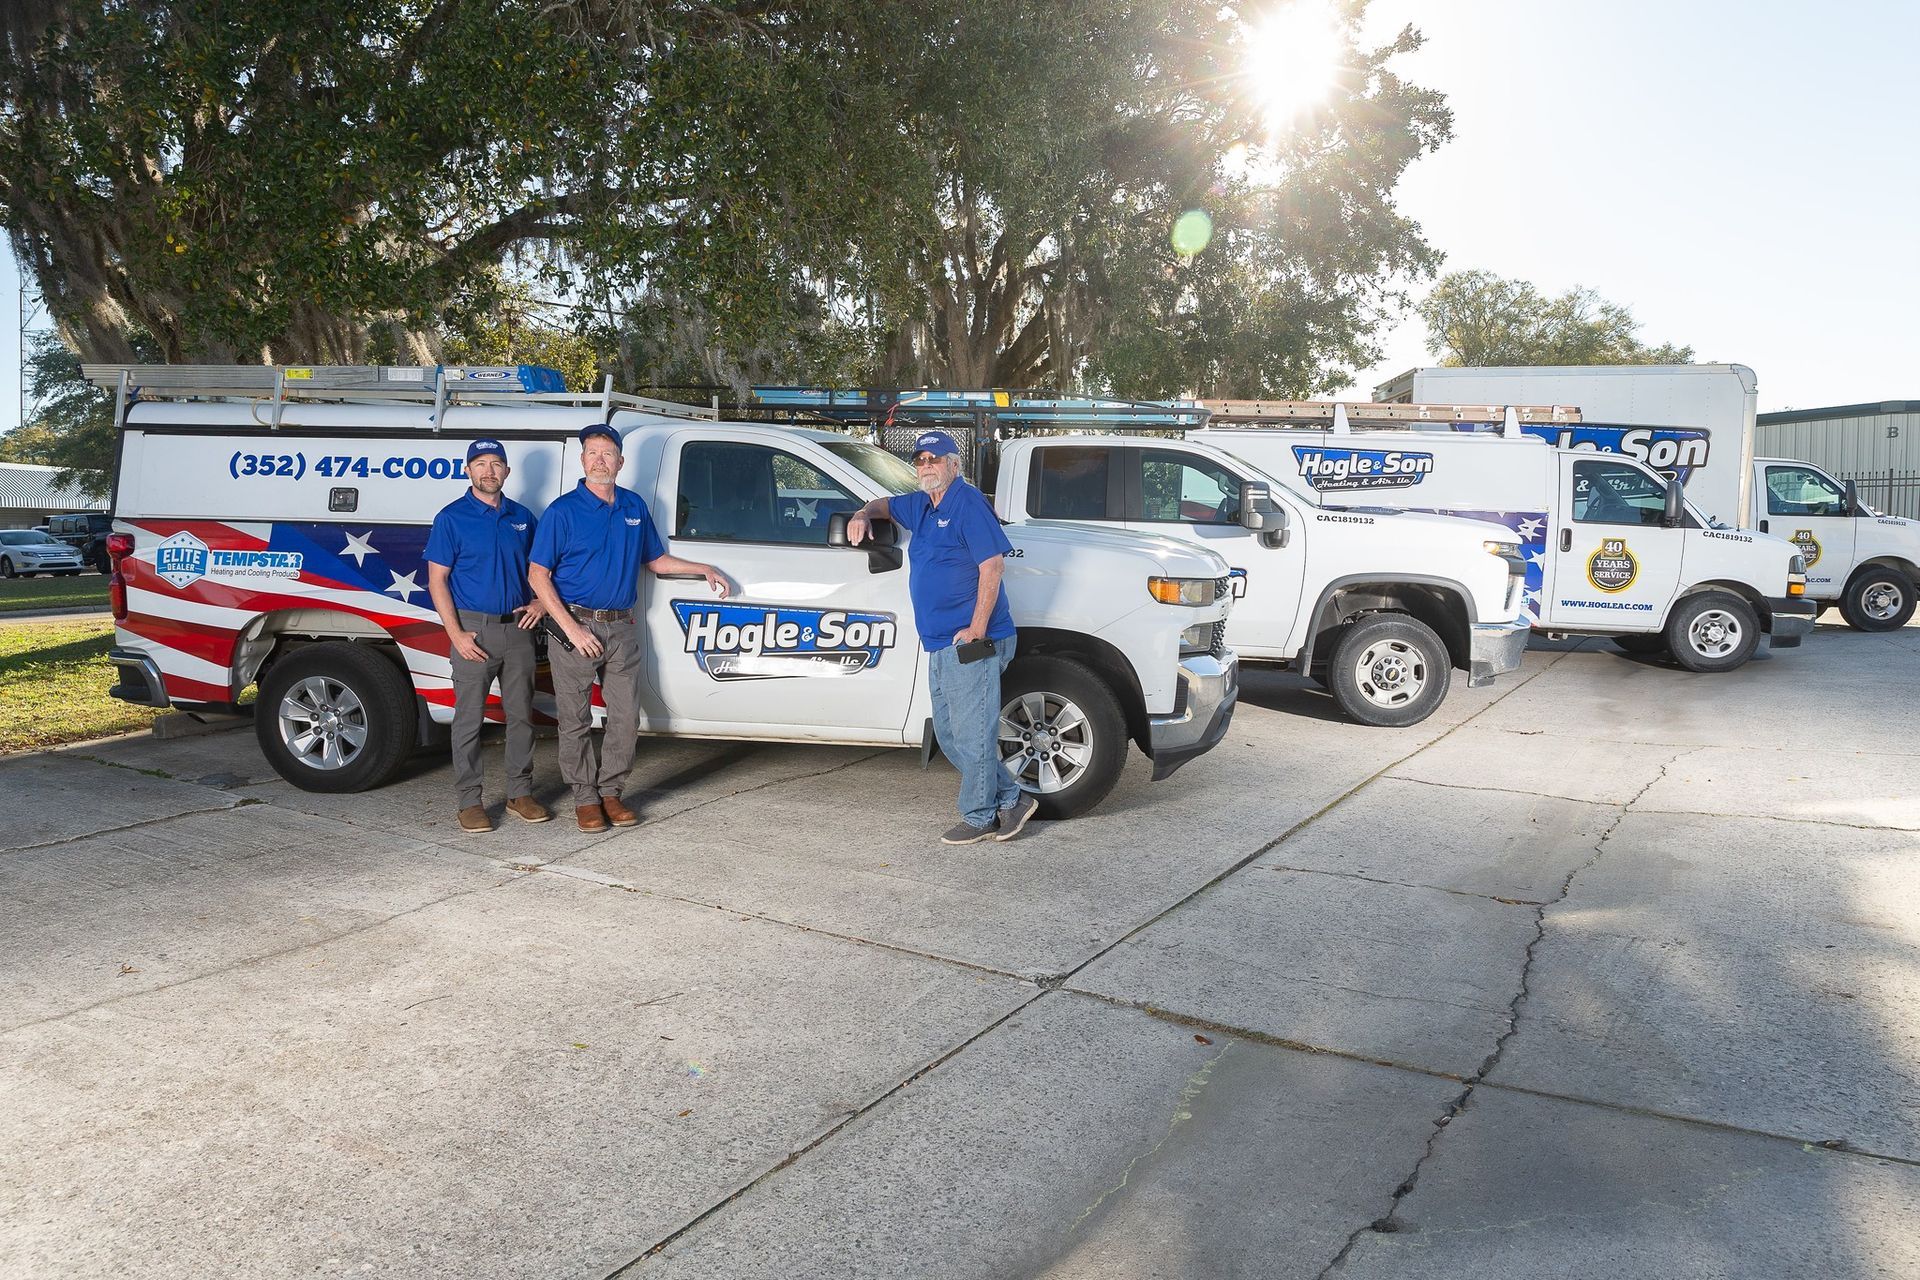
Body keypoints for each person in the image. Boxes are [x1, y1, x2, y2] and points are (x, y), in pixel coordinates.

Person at [529, 423, 731, 832]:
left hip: (621, 628)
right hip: (575, 628)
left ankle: (611, 793)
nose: (599, 459)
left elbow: (655, 561)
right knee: (575, 719)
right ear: (583, 460)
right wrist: (571, 629)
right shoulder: (562, 511)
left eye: (607, 453)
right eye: (592, 452)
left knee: (624, 718)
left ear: (620, 462)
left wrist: (702, 569)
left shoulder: (634, 507)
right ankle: (585, 800)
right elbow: (537, 575)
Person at [848, 429, 1038, 845]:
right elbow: (883, 504)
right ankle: (1011, 798)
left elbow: (992, 569)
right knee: (950, 733)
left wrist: (976, 630)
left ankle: (979, 815)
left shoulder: (967, 504)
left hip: (971, 643)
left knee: (972, 733)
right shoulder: (921, 506)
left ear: (954, 465)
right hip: (938, 643)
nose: (926, 465)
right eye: (920, 460)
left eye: (935, 459)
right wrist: (864, 513)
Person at [424, 438, 550, 833]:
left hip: (518, 631)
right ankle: (469, 801)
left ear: (507, 472)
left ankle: (519, 793)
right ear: (468, 471)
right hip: (472, 632)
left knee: (521, 717)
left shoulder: (523, 517)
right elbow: (437, 581)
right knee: (468, 720)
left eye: (497, 463)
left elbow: (541, 571)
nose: (489, 471)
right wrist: (457, 634)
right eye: (480, 463)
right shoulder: (451, 518)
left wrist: (541, 605)